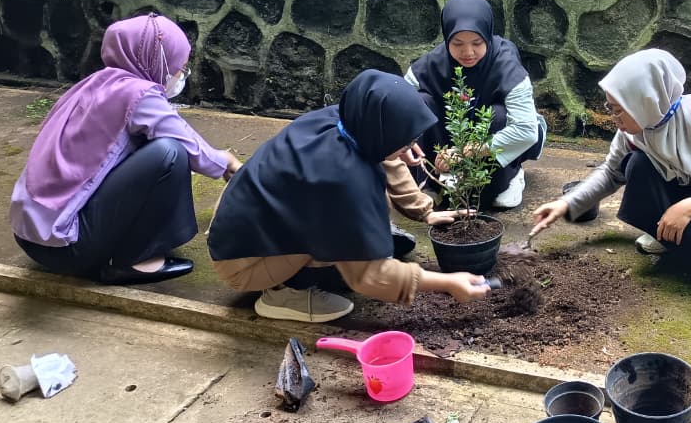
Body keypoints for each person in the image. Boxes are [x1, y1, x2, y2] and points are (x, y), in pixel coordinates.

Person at [208, 69, 490, 323]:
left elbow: (383, 155)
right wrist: (448, 283)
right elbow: (370, 276)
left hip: (235, 221)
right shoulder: (343, 180)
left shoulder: (344, 119)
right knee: (348, 235)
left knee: (359, 229)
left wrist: (423, 210)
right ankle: (286, 295)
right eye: (405, 140)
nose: (411, 146)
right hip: (242, 262)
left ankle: (308, 265)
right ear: (383, 135)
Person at [10, 13, 242, 285]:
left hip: (30, 238)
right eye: (180, 67)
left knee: (151, 149)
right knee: (169, 153)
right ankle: (135, 261)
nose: (182, 75)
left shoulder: (93, 85)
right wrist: (225, 161)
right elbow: (187, 143)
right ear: (157, 61)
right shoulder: (138, 94)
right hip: (68, 249)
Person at [530, 49, 691, 284]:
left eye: (618, 110)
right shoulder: (637, 127)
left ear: (646, 102)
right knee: (635, 165)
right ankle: (677, 235)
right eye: (611, 108)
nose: (612, 117)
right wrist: (566, 204)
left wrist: (688, 207)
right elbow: (611, 172)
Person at [408, 0, 546, 210]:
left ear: (487, 35)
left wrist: (465, 151)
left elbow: (527, 131)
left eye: (477, 43)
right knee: (419, 103)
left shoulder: (506, 64)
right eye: (457, 43)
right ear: (447, 38)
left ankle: (511, 176)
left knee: (497, 115)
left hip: (491, 139)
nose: (468, 52)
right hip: (451, 141)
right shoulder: (434, 62)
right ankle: (433, 182)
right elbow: (397, 102)